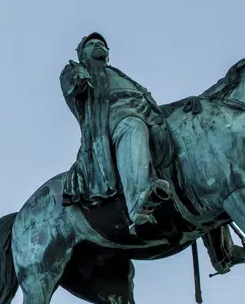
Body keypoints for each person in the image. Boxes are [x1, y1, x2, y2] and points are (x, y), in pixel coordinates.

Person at [60, 33, 171, 236]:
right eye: (92, 44)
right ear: (82, 54)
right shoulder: (77, 70)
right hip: (111, 119)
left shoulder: (118, 74)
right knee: (132, 127)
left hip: (148, 115)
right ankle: (138, 201)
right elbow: (73, 88)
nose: (98, 46)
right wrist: (79, 77)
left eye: (101, 44)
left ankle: (221, 249)